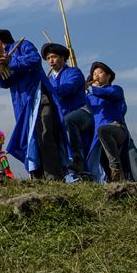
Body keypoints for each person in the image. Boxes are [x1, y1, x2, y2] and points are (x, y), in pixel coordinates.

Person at [0, 30, 69, 180]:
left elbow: (35, 60)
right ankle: (38, 176)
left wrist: (11, 60)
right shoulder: (2, 59)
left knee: (45, 133)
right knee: (30, 139)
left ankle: (54, 176)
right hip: (22, 105)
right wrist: (1, 69)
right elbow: (4, 83)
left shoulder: (22, 46)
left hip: (39, 97)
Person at [42, 42, 89, 181]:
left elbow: (69, 88)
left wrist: (48, 91)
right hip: (61, 116)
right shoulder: (49, 79)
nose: (51, 61)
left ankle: (77, 159)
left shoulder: (74, 72)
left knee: (69, 121)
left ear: (63, 57)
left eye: (54, 57)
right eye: (48, 58)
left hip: (81, 112)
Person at [85, 61, 129, 182]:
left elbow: (110, 93)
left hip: (116, 128)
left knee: (103, 130)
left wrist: (90, 88)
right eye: (94, 74)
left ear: (108, 76)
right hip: (97, 135)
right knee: (101, 160)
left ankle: (116, 167)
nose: (96, 76)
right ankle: (113, 180)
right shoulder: (89, 96)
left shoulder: (115, 89)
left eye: (100, 72)